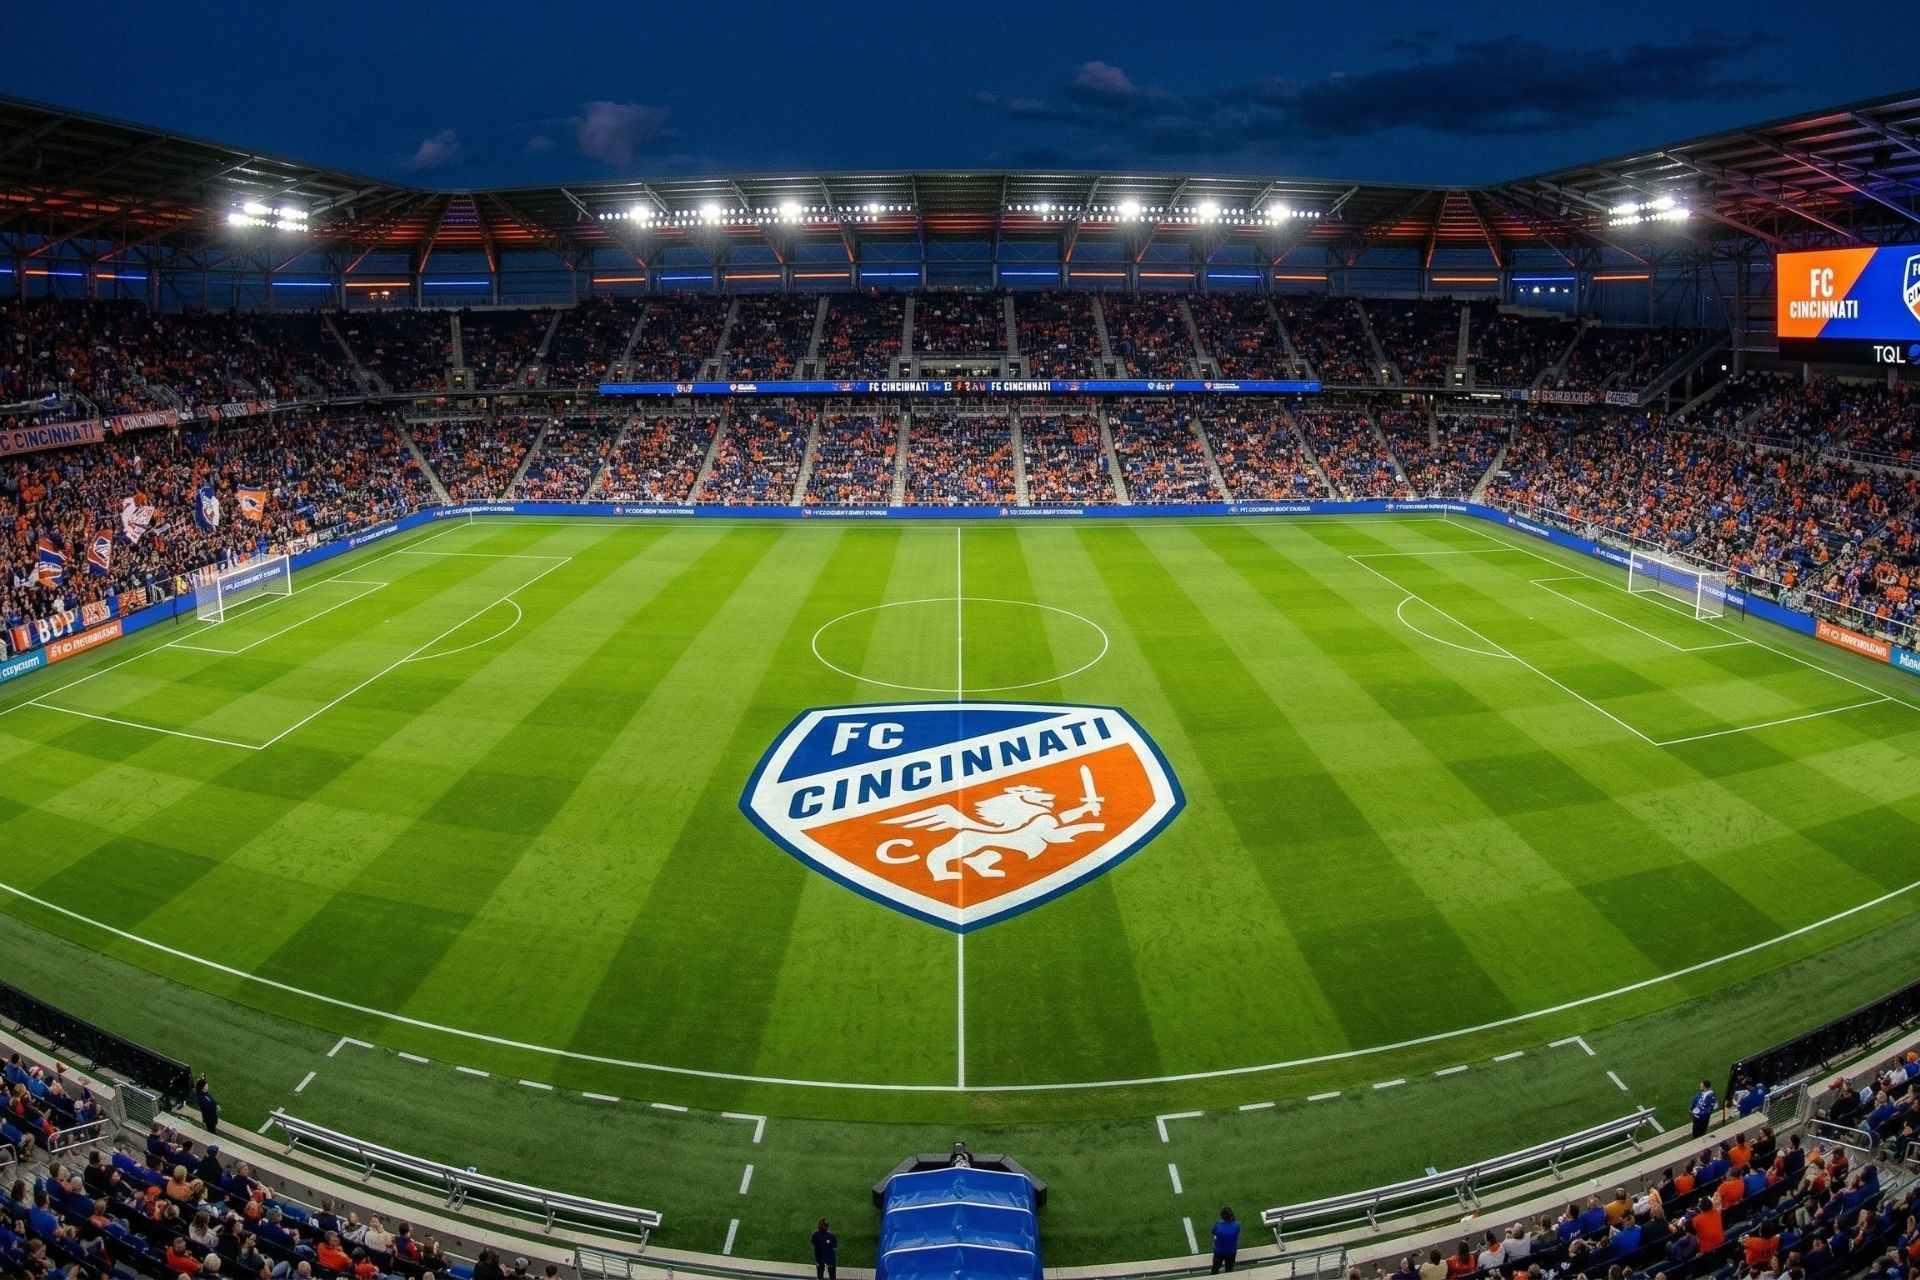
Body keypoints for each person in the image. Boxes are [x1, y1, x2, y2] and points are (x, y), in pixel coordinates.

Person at [1210, 1207, 1240, 1274]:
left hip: (1219, 1251)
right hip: (1231, 1251)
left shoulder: (1218, 1225)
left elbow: (1213, 1231)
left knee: (1215, 1268)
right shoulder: (1236, 1225)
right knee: (1229, 1270)